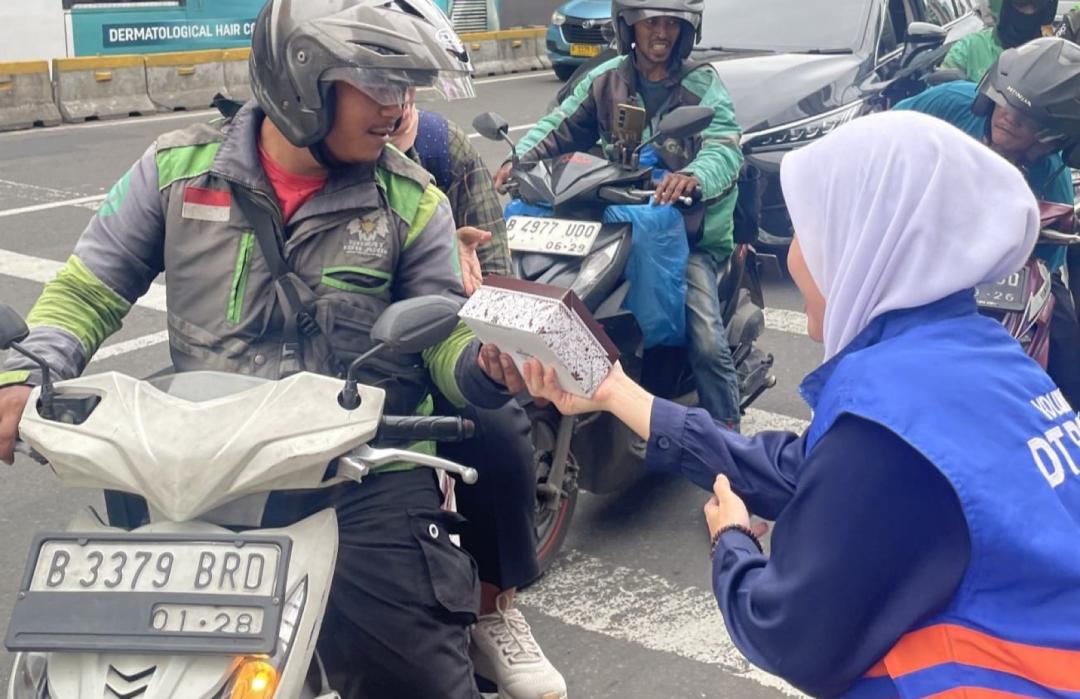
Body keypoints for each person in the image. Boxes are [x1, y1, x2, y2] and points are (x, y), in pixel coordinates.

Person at [0, 1, 525, 697]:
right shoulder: (176, 170)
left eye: (404, 85)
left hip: (354, 478)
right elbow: (88, 288)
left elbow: (445, 335)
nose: (397, 107)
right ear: (302, 79)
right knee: (85, 668)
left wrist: (481, 363)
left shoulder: (413, 202)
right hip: (195, 465)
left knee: (422, 678)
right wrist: (28, 370)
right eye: (376, 82)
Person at [516, 110, 1080, 697]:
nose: (791, 258)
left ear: (866, 243)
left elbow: (786, 630)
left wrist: (731, 540)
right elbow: (798, 469)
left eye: (809, 232)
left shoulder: (887, 416)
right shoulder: (983, 354)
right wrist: (615, 392)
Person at [493, 0, 745, 429]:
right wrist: (518, 160)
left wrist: (693, 176)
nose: (661, 32)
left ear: (686, 31)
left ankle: (729, 439)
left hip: (686, 232)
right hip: (620, 219)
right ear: (628, 26)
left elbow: (723, 145)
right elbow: (559, 125)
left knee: (705, 339)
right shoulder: (606, 78)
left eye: (671, 23)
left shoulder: (702, 83)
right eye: (650, 22)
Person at [389, 100, 568, 699]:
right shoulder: (243, 162)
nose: (390, 103)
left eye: (402, 86)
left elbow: (495, 271)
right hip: (341, 363)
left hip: (442, 343)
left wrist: (463, 272)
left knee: (497, 431)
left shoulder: (442, 152)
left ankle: (494, 608)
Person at [895, 37, 1080, 407]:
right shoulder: (949, 103)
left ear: (1056, 136)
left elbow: (1041, 275)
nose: (1009, 117)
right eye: (1004, 102)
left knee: (1068, 355)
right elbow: (884, 135)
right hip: (917, 242)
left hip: (994, 272)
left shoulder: (1054, 191)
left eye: (1027, 118)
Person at [942, 0, 1057, 81]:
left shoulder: (1053, 58)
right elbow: (940, 96)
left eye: (1037, 5)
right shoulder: (968, 50)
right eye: (1022, 4)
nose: (1029, 12)